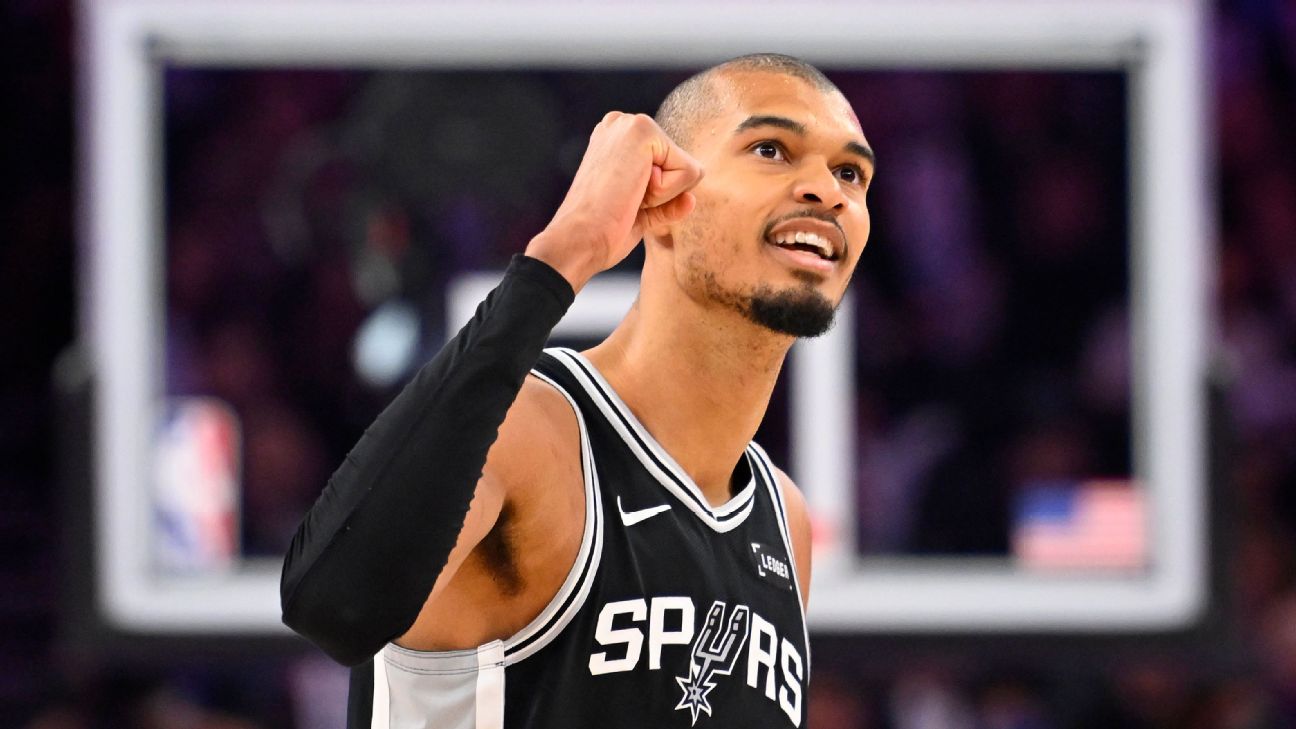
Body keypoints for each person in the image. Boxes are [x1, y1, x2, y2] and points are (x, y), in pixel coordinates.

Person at [280, 52, 874, 728]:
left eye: (850, 173)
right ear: (661, 194)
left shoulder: (784, 520)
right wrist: (564, 253)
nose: (828, 190)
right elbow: (332, 605)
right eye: (771, 149)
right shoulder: (531, 431)